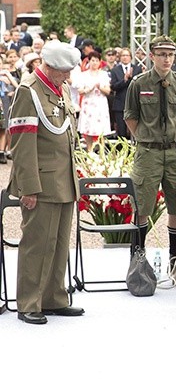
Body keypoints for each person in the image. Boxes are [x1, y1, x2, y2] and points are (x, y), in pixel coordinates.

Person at [7, 40, 84, 324]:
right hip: (41, 182)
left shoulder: (58, 87)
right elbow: (23, 144)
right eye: (64, 71)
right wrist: (28, 188)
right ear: (49, 67)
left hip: (63, 179)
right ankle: (29, 302)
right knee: (37, 244)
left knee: (59, 244)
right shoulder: (29, 91)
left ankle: (53, 297)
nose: (68, 77)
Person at [124, 35, 176, 267]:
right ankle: (138, 258)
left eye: (170, 55)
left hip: (174, 153)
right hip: (148, 152)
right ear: (152, 56)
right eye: (161, 54)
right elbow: (130, 116)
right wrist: (144, 136)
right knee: (143, 205)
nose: (166, 59)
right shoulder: (139, 83)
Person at [73, 51, 113, 151]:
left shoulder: (103, 74)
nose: (94, 63)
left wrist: (100, 87)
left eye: (96, 60)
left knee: (101, 130)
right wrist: (88, 89)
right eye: (92, 60)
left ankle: (102, 153)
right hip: (88, 103)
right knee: (88, 128)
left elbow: (108, 91)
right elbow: (80, 91)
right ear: (89, 61)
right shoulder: (83, 75)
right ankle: (89, 151)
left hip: (100, 103)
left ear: (100, 62)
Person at [110, 48, 142, 138]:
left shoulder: (137, 69)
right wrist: (124, 80)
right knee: (121, 131)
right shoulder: (115, 70)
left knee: (135, 130)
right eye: (123, 55)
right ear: (120, 58)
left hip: (134, 103)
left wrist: (130, 78)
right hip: (120, 104)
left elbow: (139, 85)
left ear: (131, 57)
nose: (125, 57)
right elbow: (113, 86)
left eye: (127, 55)